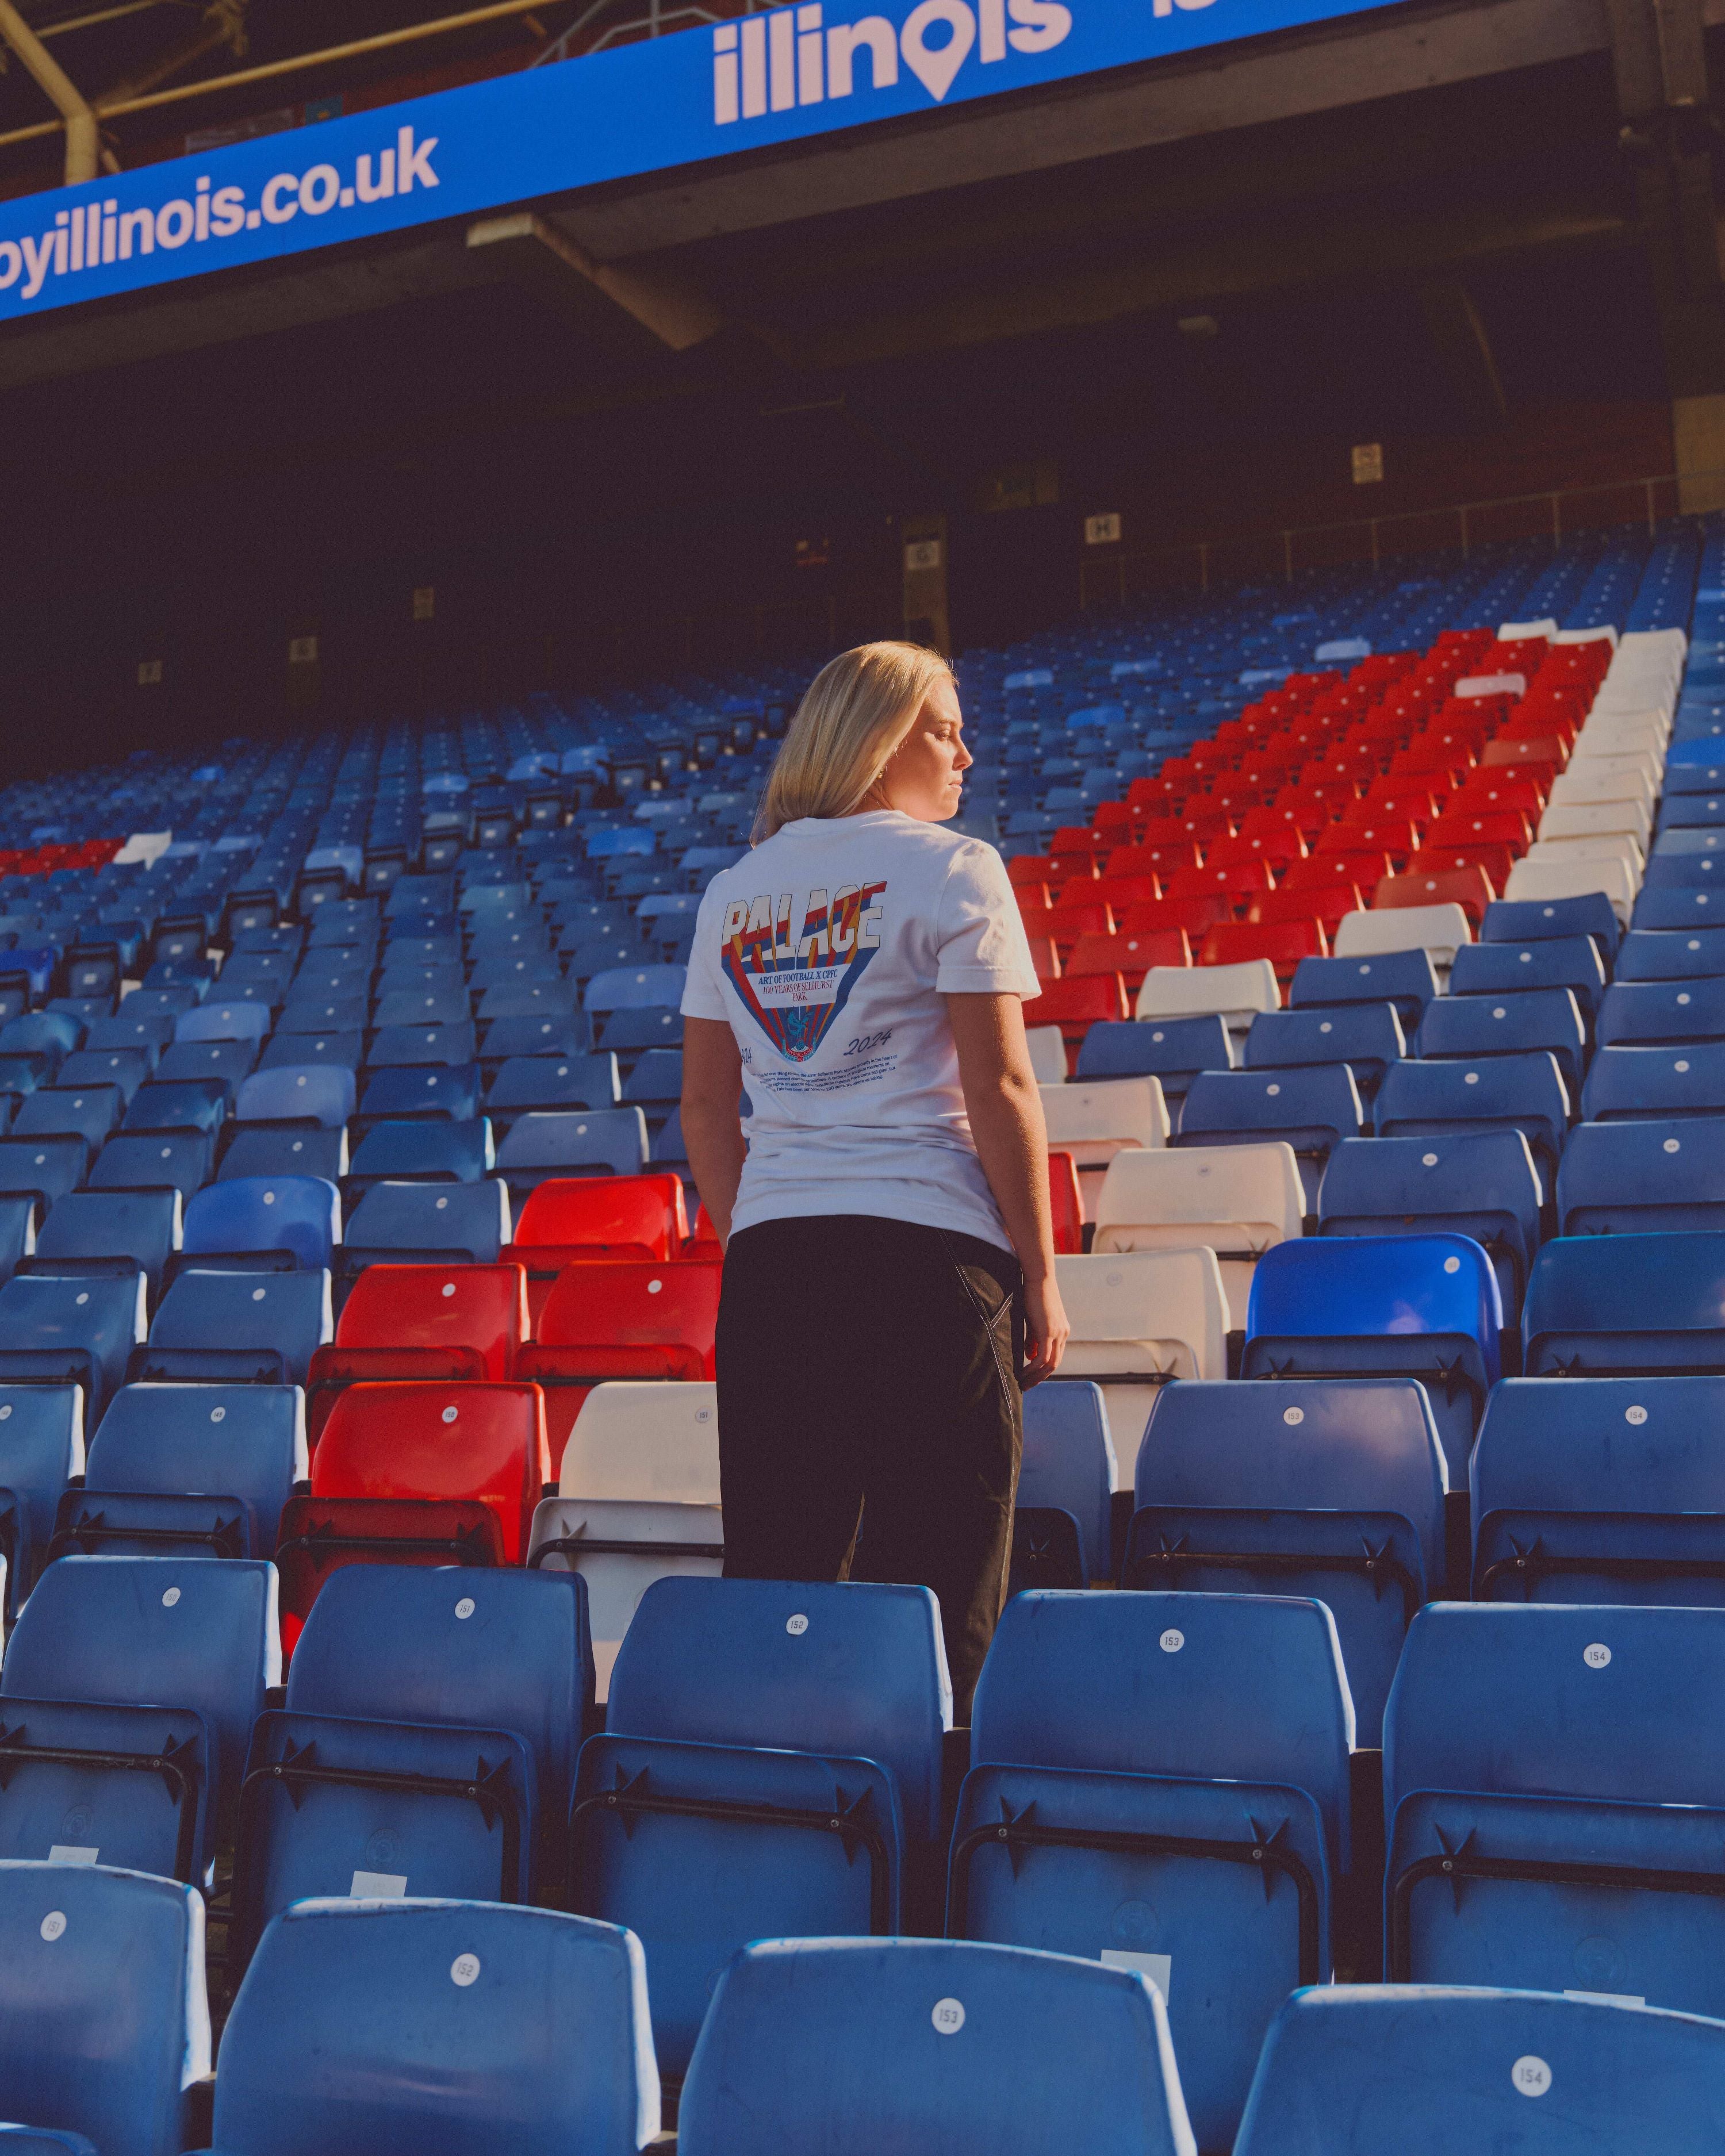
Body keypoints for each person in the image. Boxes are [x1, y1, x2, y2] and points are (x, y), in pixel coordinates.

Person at [679, 639, 1069, 1716]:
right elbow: (1000, 1088)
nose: (966, 753)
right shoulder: (954, 869)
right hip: (929, 1266)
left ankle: (798, 1845)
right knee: (939, 1606)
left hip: (774, 1274)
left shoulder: (736, 888)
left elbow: (706, 1110)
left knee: (784, 1595)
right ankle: (923, 1859)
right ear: (880, 735)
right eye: (946, 728)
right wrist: (1039, 1272)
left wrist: (760, 1235)